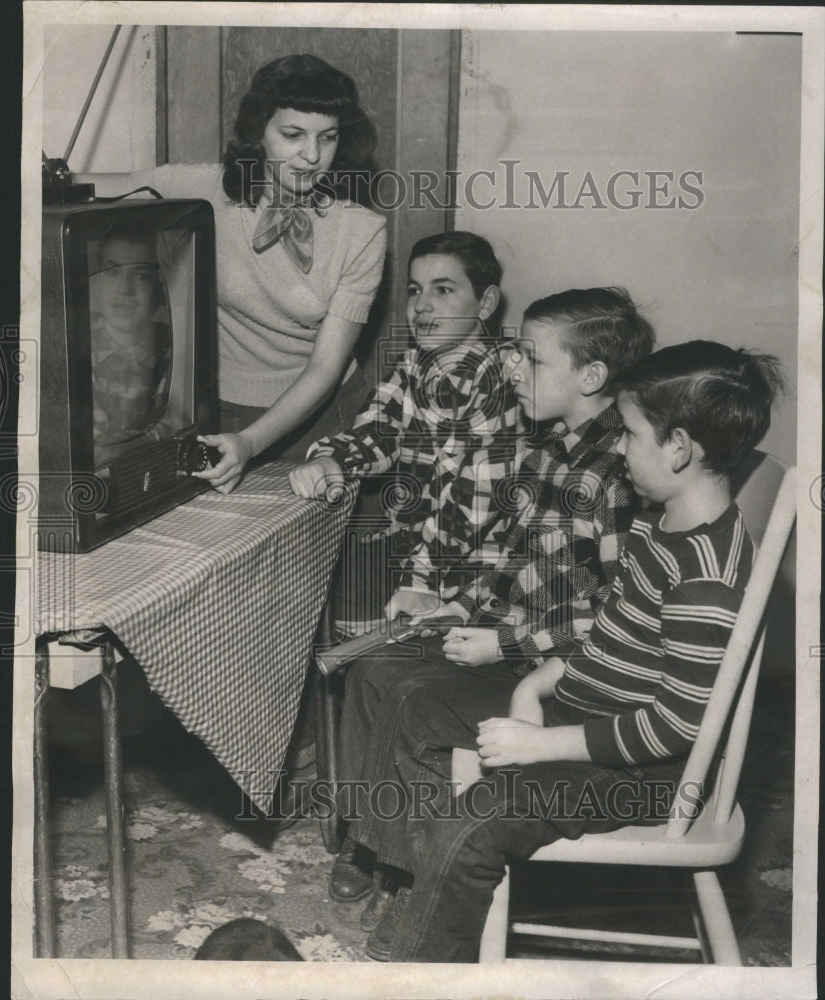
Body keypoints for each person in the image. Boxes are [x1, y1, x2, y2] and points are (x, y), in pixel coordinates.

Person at [348, 340, 785, 962]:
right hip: (584, 715)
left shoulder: (707, 578)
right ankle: (417, 886)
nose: (621, 448)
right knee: (414, 700)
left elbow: (676, 725)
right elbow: (608, 637)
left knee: (470, 823)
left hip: (647, 775)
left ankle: (423, 964)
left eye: (632, 435)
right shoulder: (658, 522)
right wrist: (533, 686)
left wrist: (541, 745)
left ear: (680, 448)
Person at [327, 287, 655, 916]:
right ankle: (376, 840)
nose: (513, 371)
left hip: (557, 669)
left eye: (532, 361)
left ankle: (415, 867)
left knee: (409, 701)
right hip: (509, 634)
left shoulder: (615, 475)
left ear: (591, 376)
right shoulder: (551, 449)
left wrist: (502, 644)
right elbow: (511, 561)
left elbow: (616, 617)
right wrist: (460, 603)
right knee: (371, 670)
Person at [90, 54, 387, 483]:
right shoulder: (204, 189)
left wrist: (250, 442)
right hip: (217, 407)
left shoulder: (363, 232)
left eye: (328, 137)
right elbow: (106, 184)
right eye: (293, 134)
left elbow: (326, 367)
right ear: (258, 132)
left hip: (320, 417)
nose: (312, 155)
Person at [289, 231, 526, 636]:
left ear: (485, 303)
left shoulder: (504, 380)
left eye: (444, 289)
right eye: (415, 289)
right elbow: (379, 431)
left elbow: (470, 505)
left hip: (487, 581)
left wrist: (420, 579)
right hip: (423, 563)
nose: (421, 305)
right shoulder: (414, 364)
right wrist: (334, 460)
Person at [89, 227, 172, 465]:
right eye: (112, 271)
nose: (124, 289)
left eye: (141, 275)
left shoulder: (169, 352)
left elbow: (172, 423)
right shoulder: (75, 341)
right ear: (96, 283)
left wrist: (122, 449)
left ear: (159, 291)